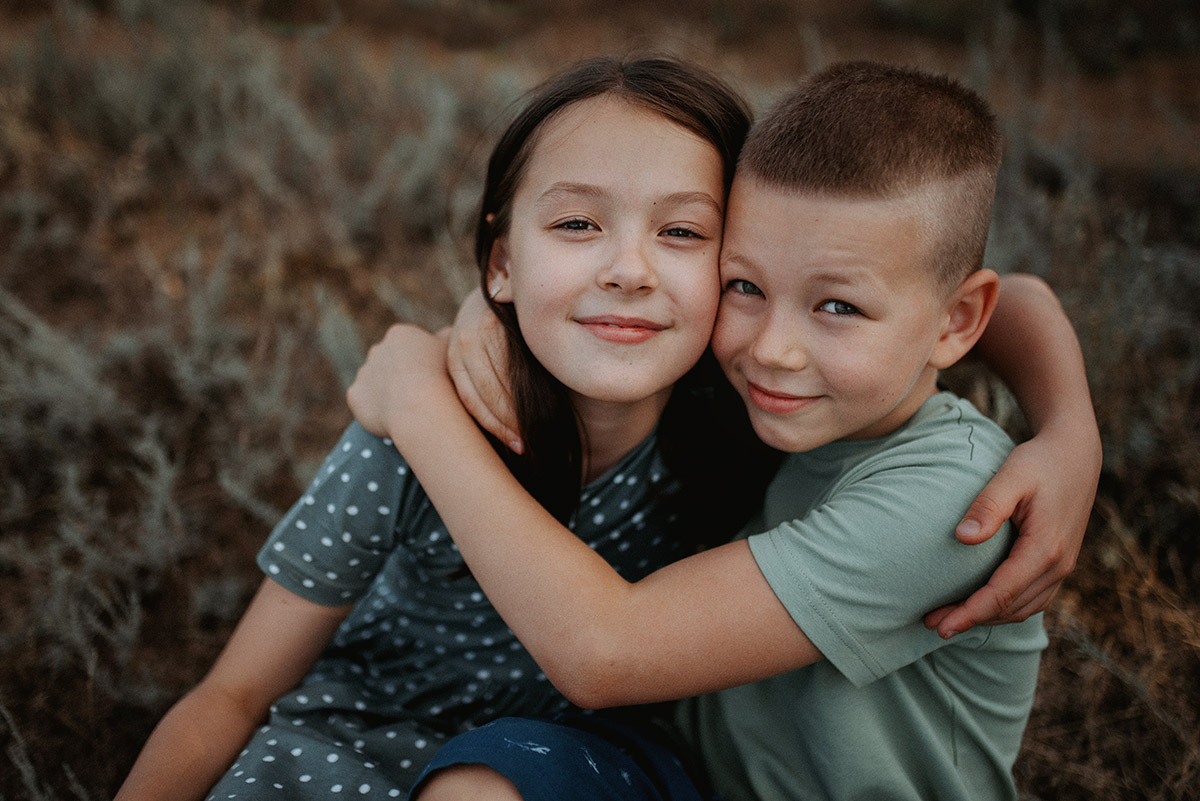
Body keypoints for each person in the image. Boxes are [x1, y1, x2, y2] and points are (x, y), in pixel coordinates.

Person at [345, 61, 1102, 801]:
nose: (771, 347)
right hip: (674, 767)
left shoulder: (951, 503)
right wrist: (489, 310)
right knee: (482, 783)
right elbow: (1017, 297)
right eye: (744, 285)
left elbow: (602, 652)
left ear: (957, 321)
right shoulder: (768, 391)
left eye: (837, 306)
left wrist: (418, 405)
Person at [114, 55, 759, 801]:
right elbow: (232, 693)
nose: (629, 268)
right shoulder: (405, 431)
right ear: (501, 264)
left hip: (578, 758)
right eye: (577, 223)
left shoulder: (753, 437)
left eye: (681, 230)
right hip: (353, 731)